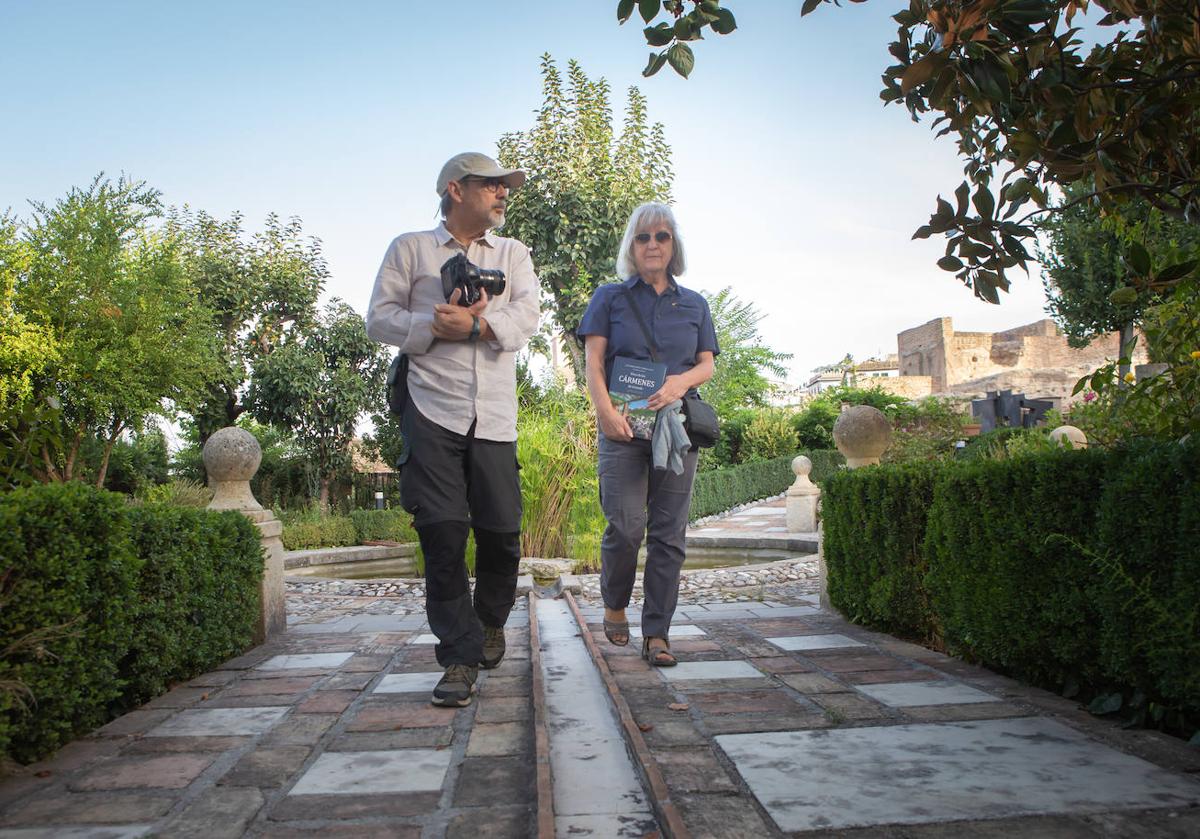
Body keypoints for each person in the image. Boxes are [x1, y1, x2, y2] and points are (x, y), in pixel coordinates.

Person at [366, 152, 539, 706]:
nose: (502, 193)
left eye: (504, 186)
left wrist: (480, 323)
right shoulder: (410, 248)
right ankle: (459, 656)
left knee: (502, 534)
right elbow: (378, 318)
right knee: (441, 534)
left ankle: (489, 621)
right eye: (491, 185)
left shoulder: (514, 254)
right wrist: (433, 325)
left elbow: (528, 315)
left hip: (494, 414)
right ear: (455, 189)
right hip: (430, 407)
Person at [578, 202, 718, 667]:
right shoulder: (610, 298)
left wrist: (679, 383)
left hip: (675, 431)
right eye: (643, 238)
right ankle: (614, 602)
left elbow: (707, 364)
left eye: (661, 236)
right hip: (621, 428)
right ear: (631, 248)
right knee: (625, 525)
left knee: (669, 535)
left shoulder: (694, 304)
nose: (652, 244)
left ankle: (657, 633)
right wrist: (602, 412)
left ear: (673, 245)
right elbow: (594, 362)